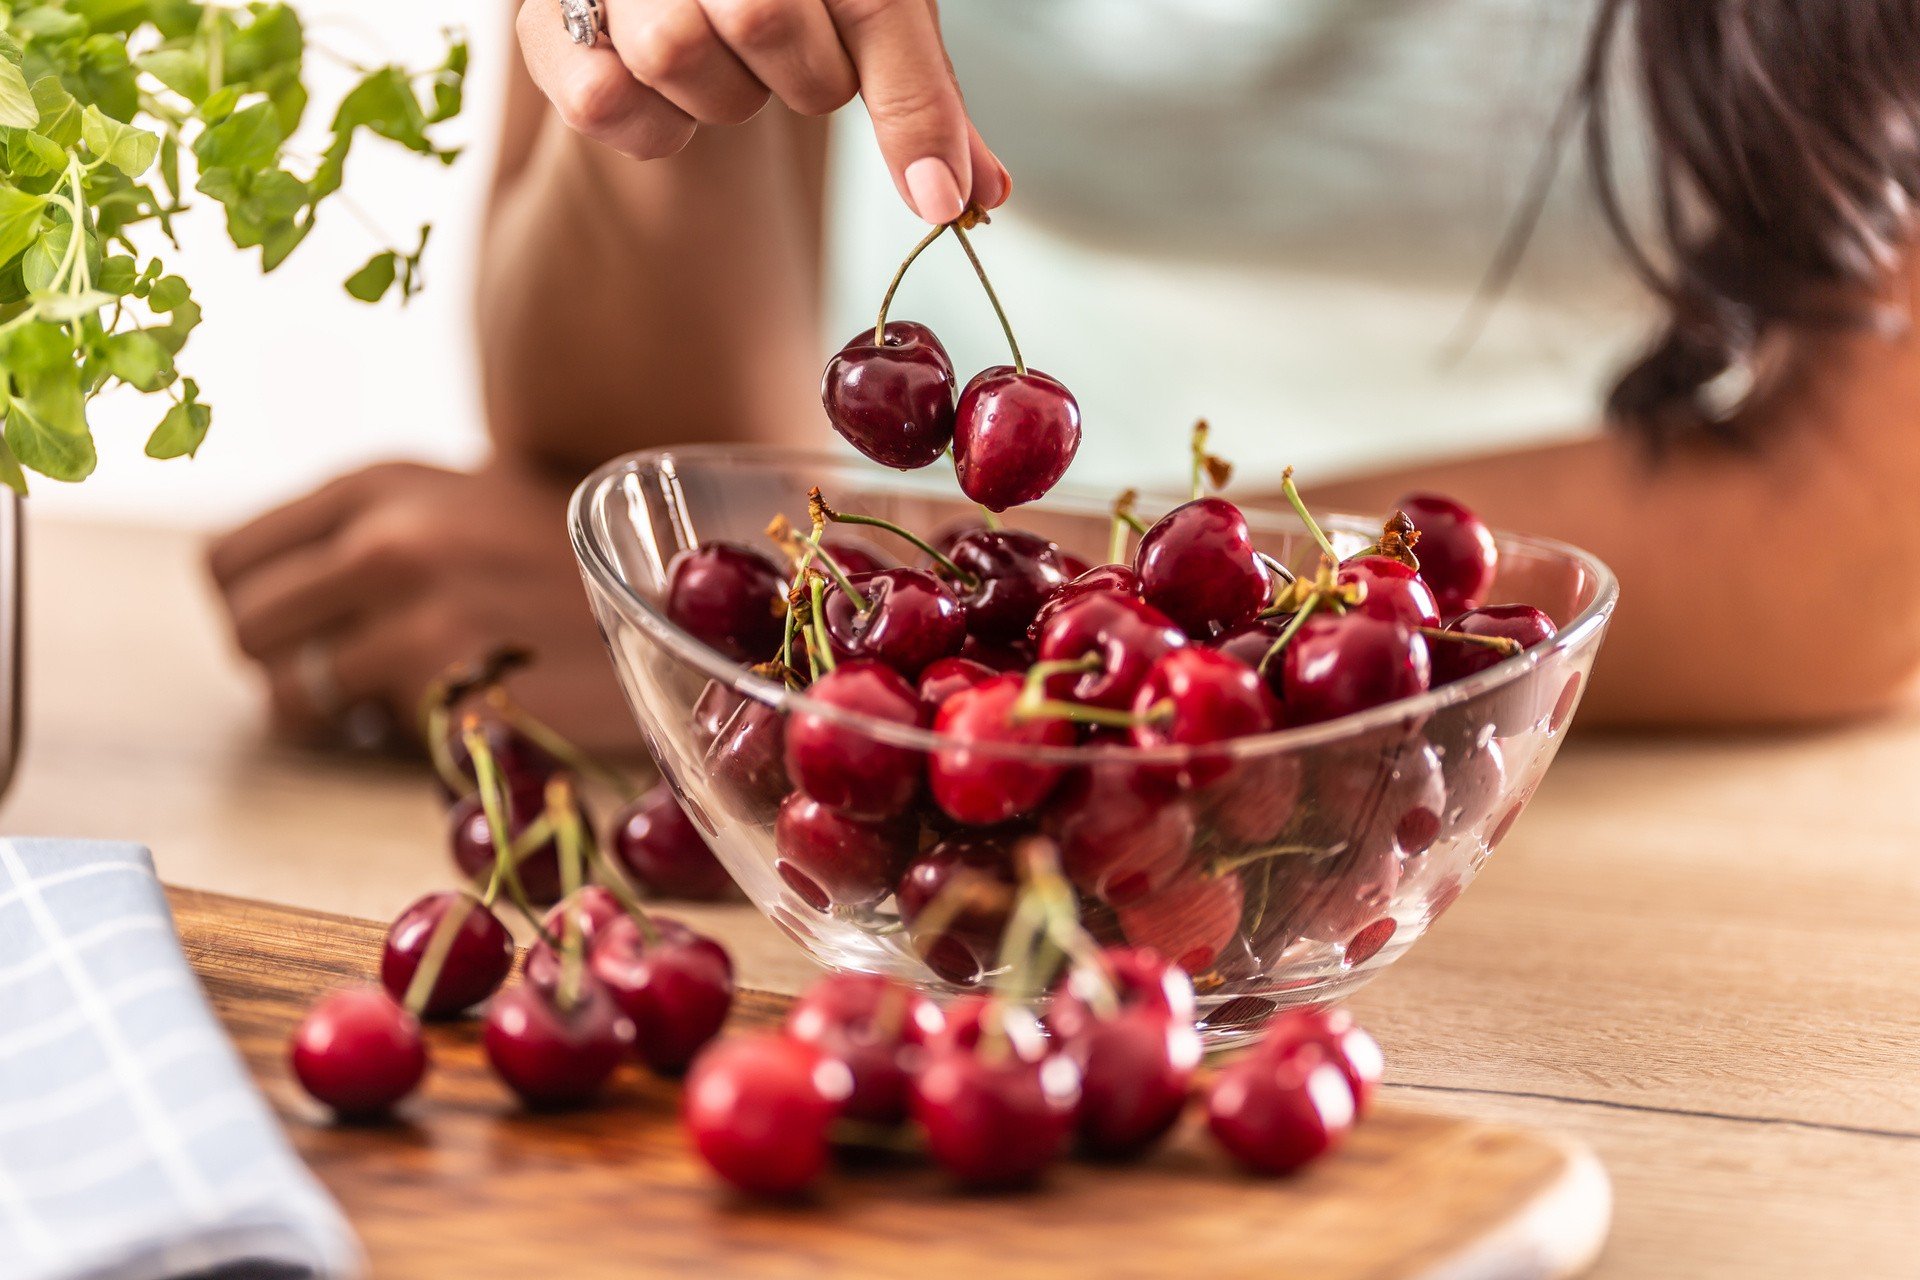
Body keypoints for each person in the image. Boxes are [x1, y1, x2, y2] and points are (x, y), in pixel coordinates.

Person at [209, 1, 1920, 751]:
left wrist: (954, 619)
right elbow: (630, 439)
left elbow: (1852, 546)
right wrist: (670, 48)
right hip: (942, 712)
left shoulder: (940, 611)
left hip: (1591, 753)